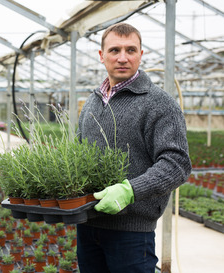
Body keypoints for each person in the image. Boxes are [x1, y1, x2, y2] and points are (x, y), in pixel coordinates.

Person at [77, 23, 192, 273]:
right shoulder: (92, 103)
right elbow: (78, 154)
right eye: (114, 50)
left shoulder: (159, 103)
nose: (122, 57)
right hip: (87, 224)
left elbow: (177, 163)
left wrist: (130, 190)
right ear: (101, 56)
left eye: (131, 50)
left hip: (131, 233)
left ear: (141, 54)